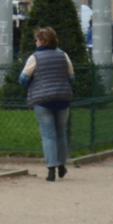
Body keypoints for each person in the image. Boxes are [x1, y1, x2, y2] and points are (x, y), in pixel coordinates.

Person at [18, 26, 74, 181]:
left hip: (42, 100)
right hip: (63, 98)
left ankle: (51, 169)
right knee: (61, 133)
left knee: (48, 135)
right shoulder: (63, 55)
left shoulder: (35, 58)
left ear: (42, 41)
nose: (36, 42)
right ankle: (62, 165)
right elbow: (72, 77)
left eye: (37, 39)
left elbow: (23, 79)